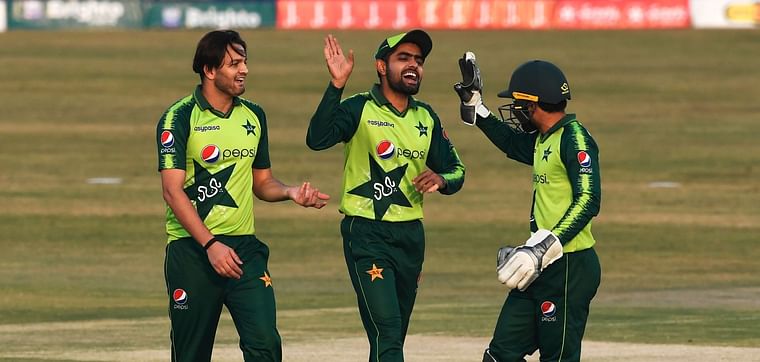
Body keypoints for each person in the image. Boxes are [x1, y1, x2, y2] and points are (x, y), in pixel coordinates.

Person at [156, 30, 329, 362]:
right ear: (209, 70)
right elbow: (172, 191)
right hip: (192, 252)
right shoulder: (178, 117)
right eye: (234, 63)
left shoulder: (254, 115)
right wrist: (210, 245)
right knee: (190, 354)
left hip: (244, 250)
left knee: (265, 344)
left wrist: (291, 192)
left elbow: (262, 182)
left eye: (245, 62)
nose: (244, 70)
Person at [306, 30, 465, 361]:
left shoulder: (426, 117)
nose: (413, 66)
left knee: (392, 338)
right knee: (388, 331)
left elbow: (456, 169)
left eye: (418, 61)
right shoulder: (359, 108)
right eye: (403, 59)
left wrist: (441, 179)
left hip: (410, 236)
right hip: (366, 232)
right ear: (381, 66)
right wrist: (336, 86)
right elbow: (317, 139)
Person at [454, 55, 602, 362]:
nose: (516, 110)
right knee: (500, 355)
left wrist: (546, 245)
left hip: (569, 267)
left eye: (518, 103)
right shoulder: (542, 140)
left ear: (533, 104)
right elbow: (510, 143)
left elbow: (589, 199)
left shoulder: (573, 138)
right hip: (538, 264)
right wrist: (477, 110)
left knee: (558, 357)